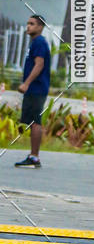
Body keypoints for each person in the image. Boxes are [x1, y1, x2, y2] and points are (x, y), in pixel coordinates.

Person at [15, 14, 51, 168]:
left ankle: (34, 157)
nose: (28, 26)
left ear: (40, 27)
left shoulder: (39, 43)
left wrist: (26, 84)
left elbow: (39, 64)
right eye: (28, 23)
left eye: (32, 24)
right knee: (32, 121)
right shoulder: (35, 42)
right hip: (34, 89)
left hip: (36, 88)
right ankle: (33, 155)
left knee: (35, 122)